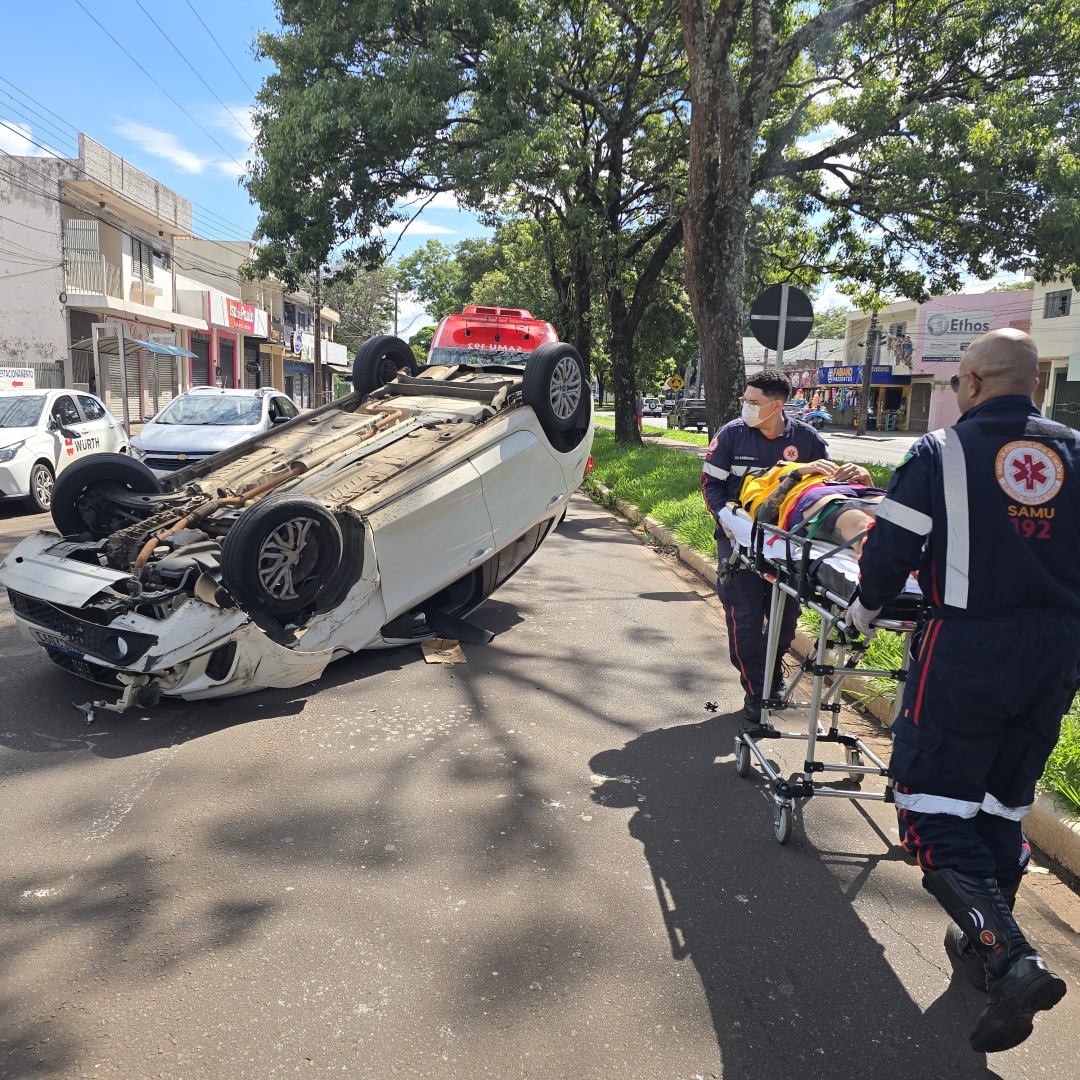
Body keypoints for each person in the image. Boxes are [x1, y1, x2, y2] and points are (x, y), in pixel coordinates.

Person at [848, 328, 1078, 1053]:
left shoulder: (941, 451)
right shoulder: (1076, 451)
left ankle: (1009, 956)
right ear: (1035, 383)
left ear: (973, 383)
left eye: (954, 385)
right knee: (1001, 798)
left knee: (928, 805)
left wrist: (863, 612)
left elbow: (889, 552)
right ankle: (985, 951)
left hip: (969, 648)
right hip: (1058, 652)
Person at [701, 369, 870, 720]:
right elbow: (710, 487)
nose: (746, 408)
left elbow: (824, 492)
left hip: (790, 543)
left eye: (753, 402)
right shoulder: (731, 436)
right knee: (745, 616)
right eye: (745, 401)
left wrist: (859, 481)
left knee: (785, 617)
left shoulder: (807, 440)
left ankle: (772, 669)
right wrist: (727, 521)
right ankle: (757, 688)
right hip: (739, 538)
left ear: (776, 405)